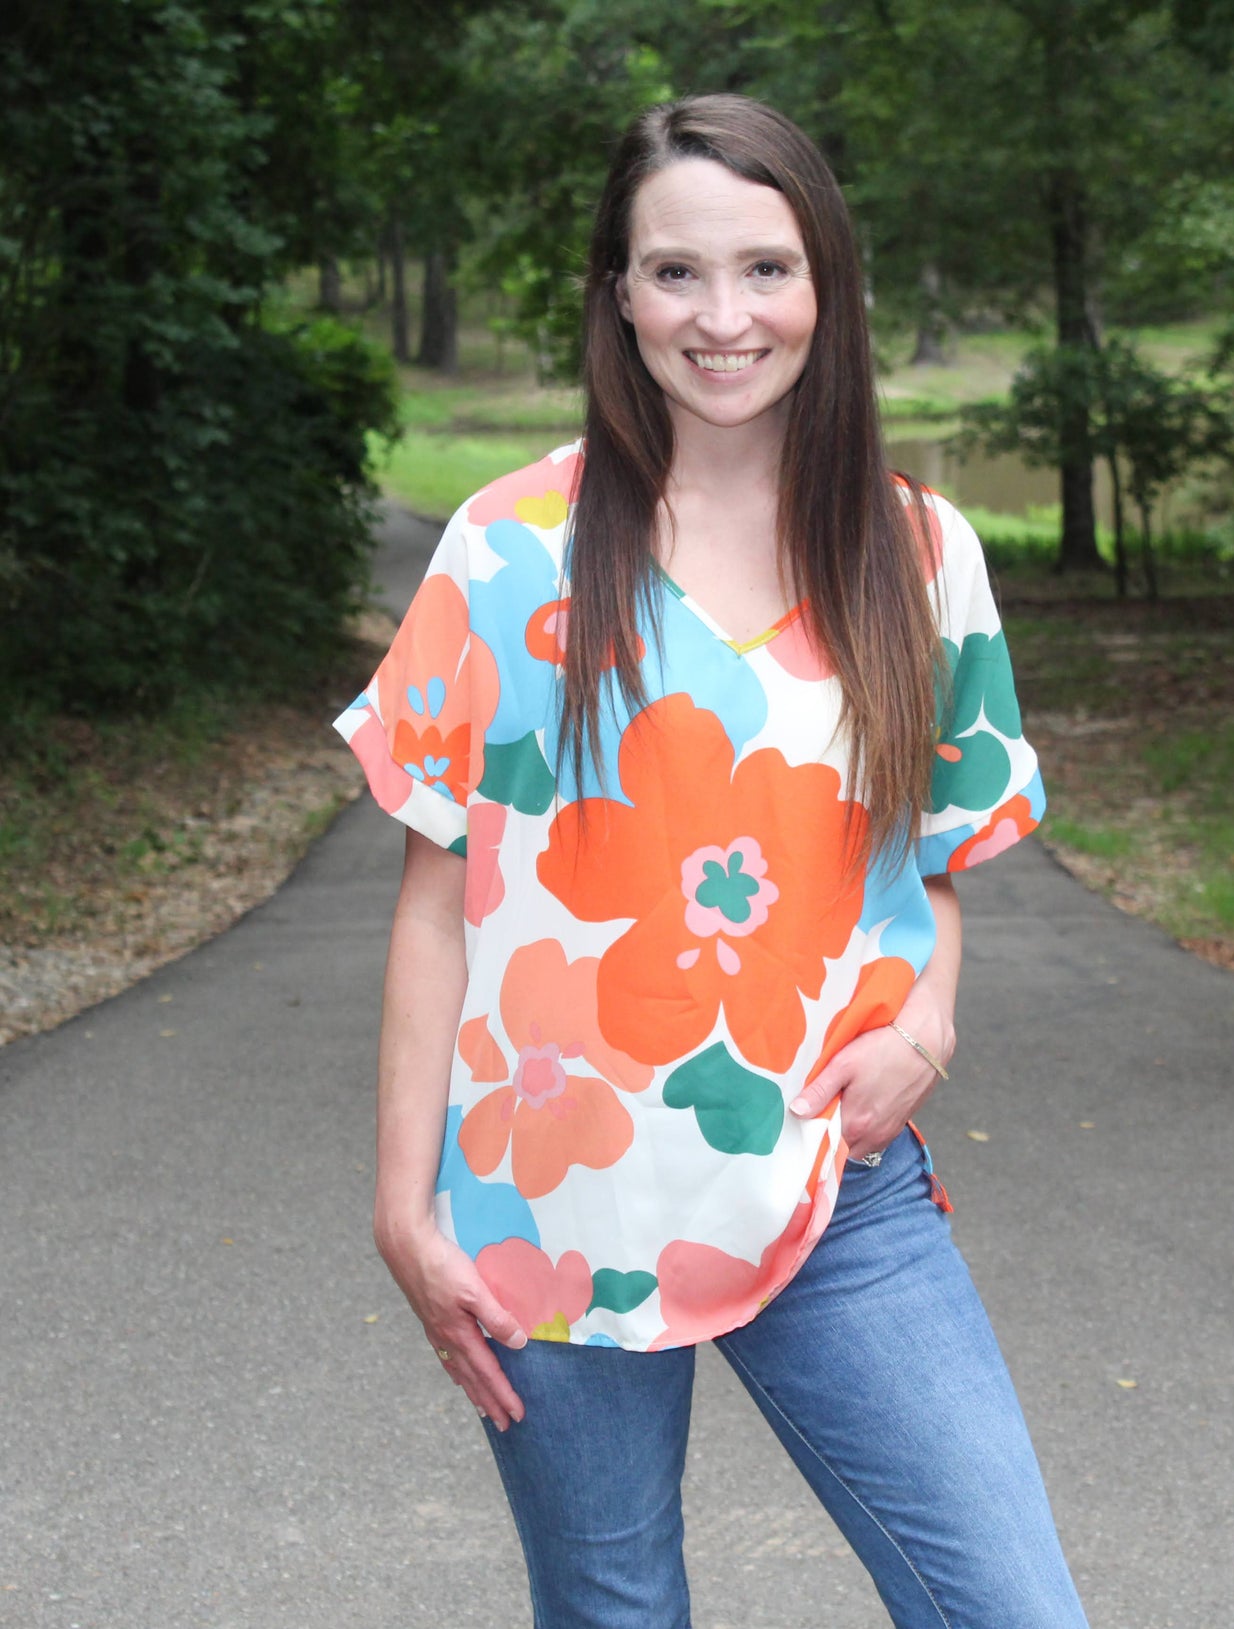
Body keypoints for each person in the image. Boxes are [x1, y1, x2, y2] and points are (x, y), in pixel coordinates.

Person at [336, 93, 1089, 1629]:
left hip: (833, 1183)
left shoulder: (916, 551)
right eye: (675, 271)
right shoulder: (508, 549)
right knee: (614, 1609)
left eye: (766, 267)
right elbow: (436, 903)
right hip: (550, 1200)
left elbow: (927, 860)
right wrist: (404, 1207)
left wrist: (925, 1024)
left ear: (828, 286)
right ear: (617, 292)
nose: (723, 316)